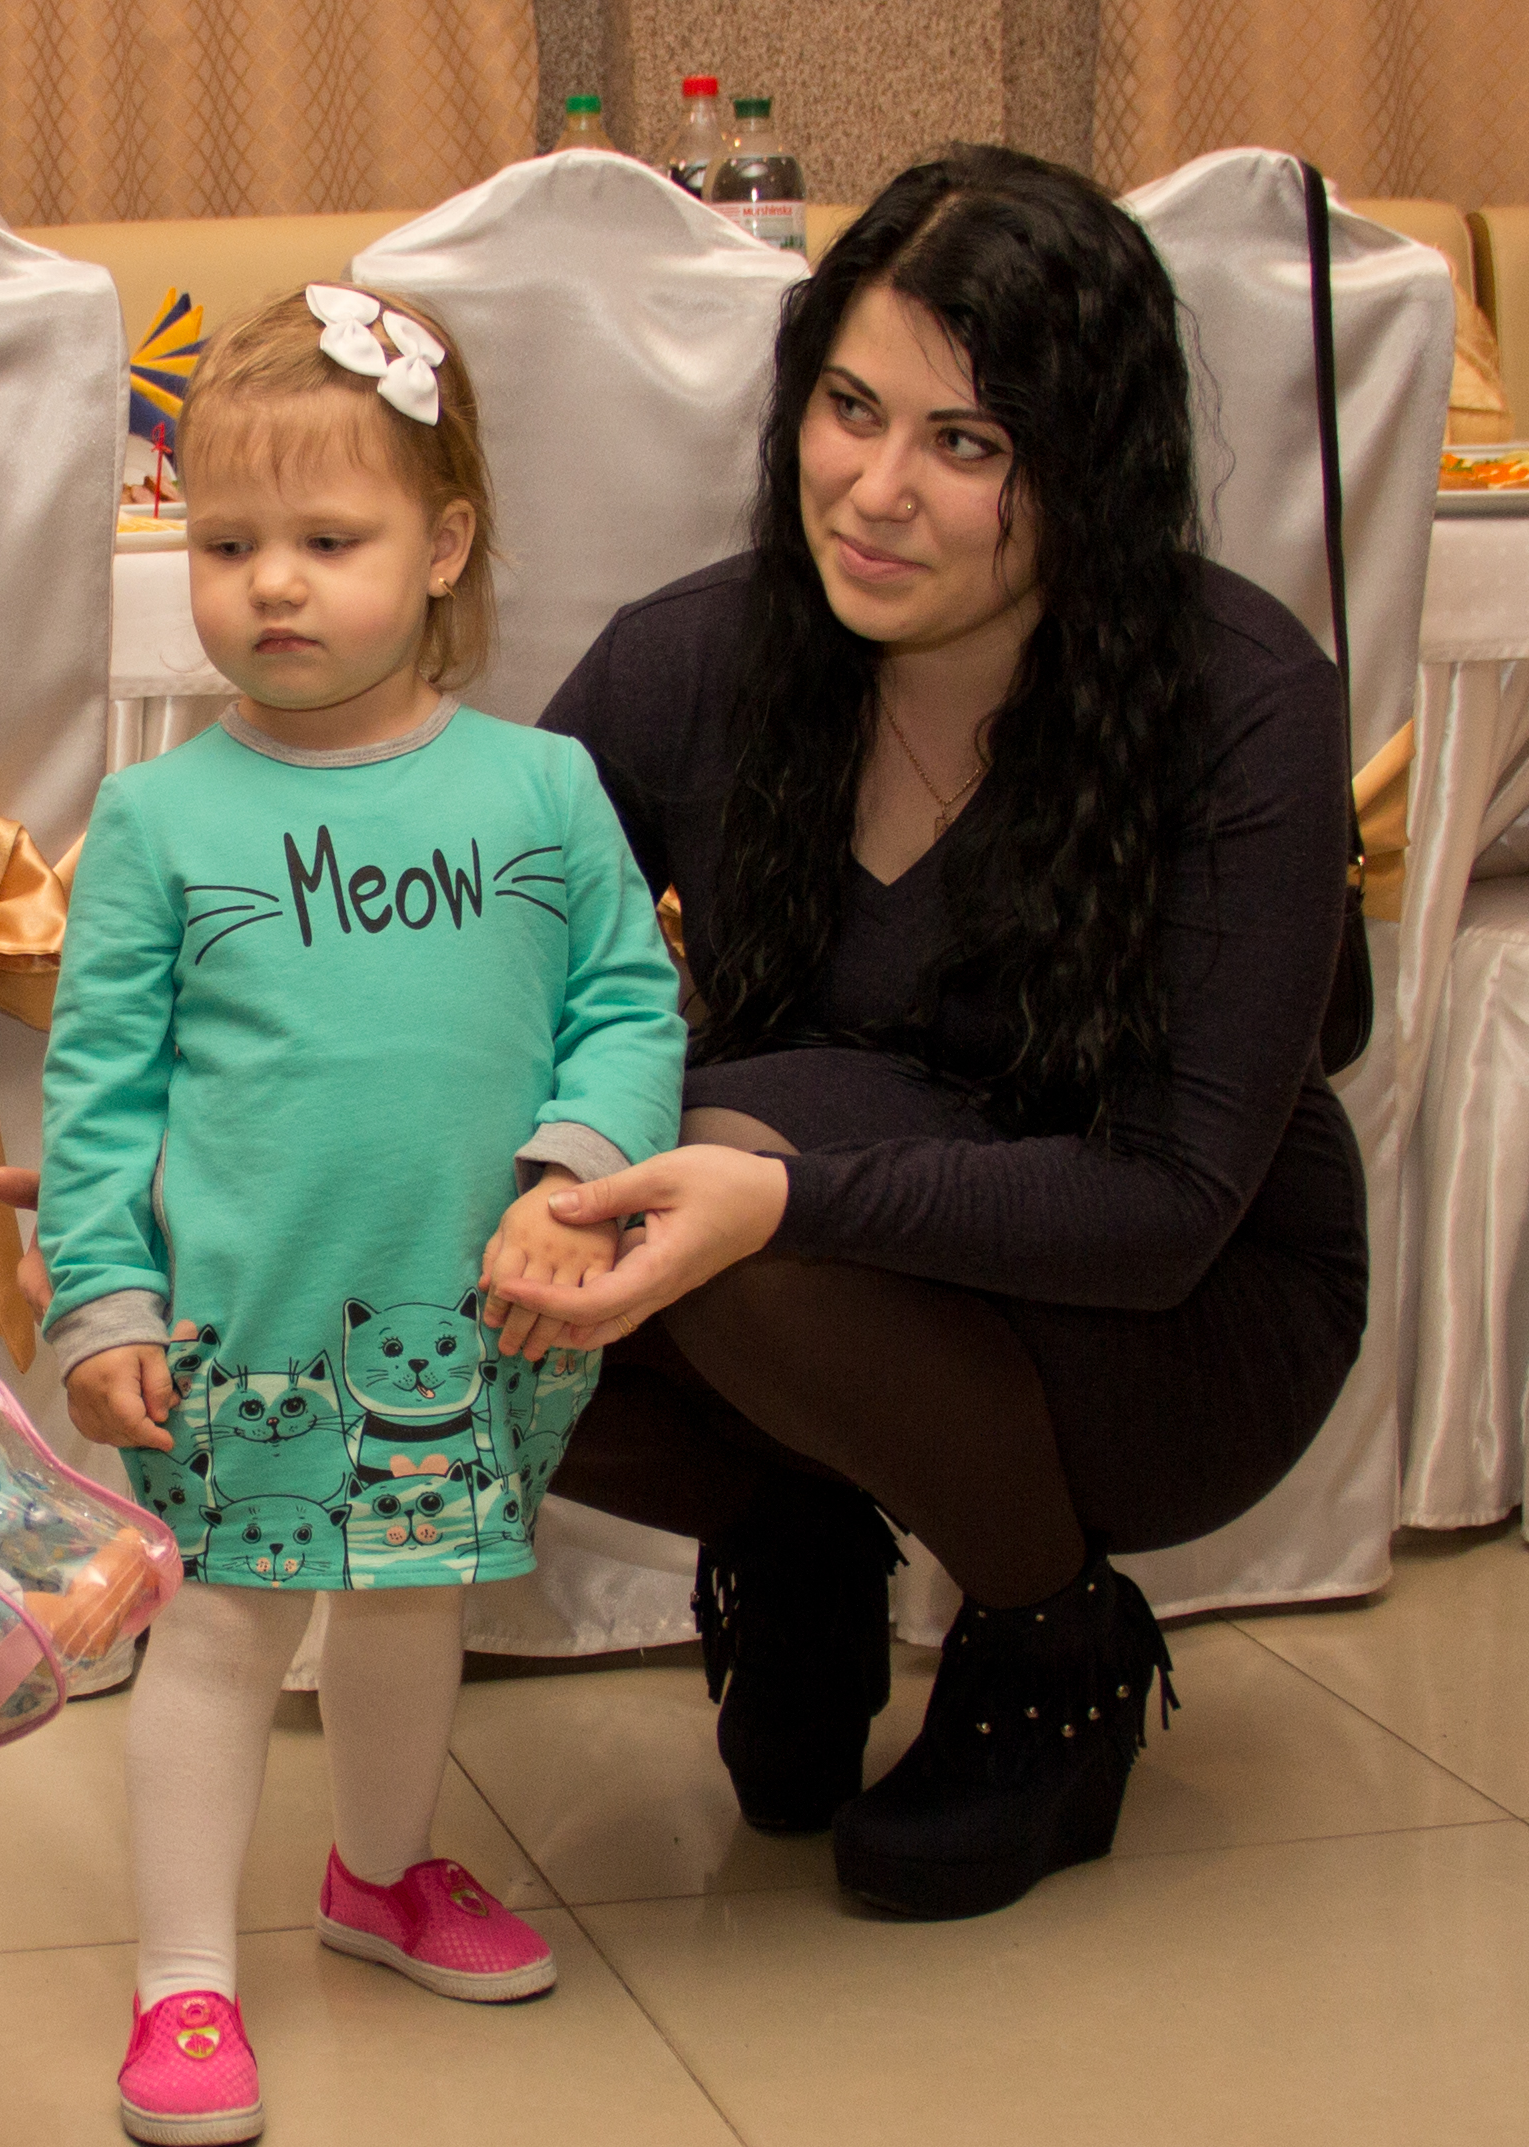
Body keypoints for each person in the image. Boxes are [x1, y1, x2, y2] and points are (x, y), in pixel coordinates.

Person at [491, 145, 1365, 1920]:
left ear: (1090, 466)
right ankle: (799, 1529)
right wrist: (228, 1154)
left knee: (721, 1177)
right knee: (420, 1237)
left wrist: (783, 1202)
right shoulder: (695, 659)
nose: (876, 493)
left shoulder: (1240, 700)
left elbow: (1169, 1205)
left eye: (966, 444)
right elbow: (472, 994)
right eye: (850, 410)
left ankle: (1052, 1643)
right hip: (809, 1253)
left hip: (1181, 1320)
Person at [40, 285, 687, 2146]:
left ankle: (382, 1878)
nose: (274, 585)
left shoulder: (543, 786)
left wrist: (574, 1174)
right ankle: (182, 1981)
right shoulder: (159, 820)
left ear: (444, 544)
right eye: (228, 542)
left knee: (412, 1604)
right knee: (225, 1632)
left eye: (331, 541)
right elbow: (99, 1093)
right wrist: (103, 1295)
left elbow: (628, 1007)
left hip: (461, 1320)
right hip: (240, 1327)